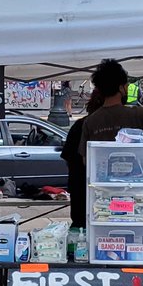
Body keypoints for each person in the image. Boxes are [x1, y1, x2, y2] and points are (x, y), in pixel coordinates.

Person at [62, 89, 103, 229]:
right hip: (87, 188)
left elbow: (68, 156)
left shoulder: (79, 125)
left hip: (80, 187)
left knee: (80, 228)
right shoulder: (81, 126)